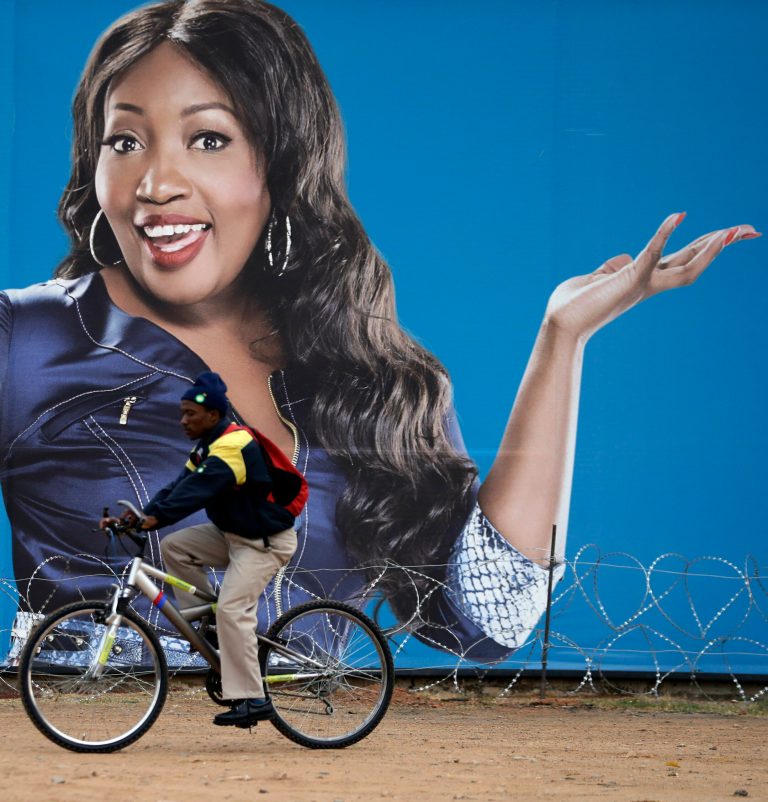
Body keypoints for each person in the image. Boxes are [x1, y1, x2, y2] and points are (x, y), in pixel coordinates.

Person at [0, 0, 760, 665]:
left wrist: (564, 338)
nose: (157, 183)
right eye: (125, 141)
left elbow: (489, 621)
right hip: (91, 756)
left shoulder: (366, 374)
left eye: (208, 139)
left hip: (295, 761)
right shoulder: (25, 341)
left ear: (282, 162)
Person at [113, 371, 301, 725]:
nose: (183, 421)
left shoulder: (234, 444)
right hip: (233, 534)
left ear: (212, 415)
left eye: (190, 414)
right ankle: (207, 621)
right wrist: (139, 516)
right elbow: (177, 486)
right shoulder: (206, 446)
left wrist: (156, 518)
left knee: (233, 609)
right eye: (182, 413)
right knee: (176, 546)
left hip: (263, 542)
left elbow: (197, 490)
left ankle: (253, 698)